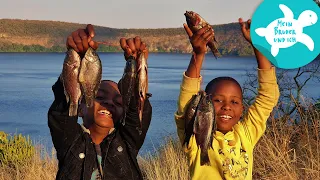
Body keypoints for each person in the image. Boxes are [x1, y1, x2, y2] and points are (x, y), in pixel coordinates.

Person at [174, 18, 280, 179]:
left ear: (242, 109)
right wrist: (198, 54)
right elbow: (187, 104)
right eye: (217, 100)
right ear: (205, 105)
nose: (227, 107)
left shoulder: (246, 134)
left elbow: (268, 96)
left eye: (234, 102)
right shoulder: (195, 137)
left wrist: (258, 44)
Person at [48, 24, 152, 180]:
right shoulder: (69, 142)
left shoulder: (128, 142)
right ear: (81, 109)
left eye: (118, 101)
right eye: (100, 97)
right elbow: (61, 111)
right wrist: (75, 61)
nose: (109, 103)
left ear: (123, 113)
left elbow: (137, 112)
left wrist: (135, 70)